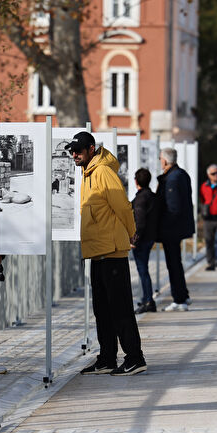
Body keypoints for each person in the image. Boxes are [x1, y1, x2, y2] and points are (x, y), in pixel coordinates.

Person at [66, 131, 147, 376]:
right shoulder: (87, 173)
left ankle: (135, 357)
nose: (74, 155)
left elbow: (122, 205)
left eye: (78, 151)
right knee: (102, 309)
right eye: (72, 151)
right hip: (97, 251)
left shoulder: (102, 172)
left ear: (92, 149)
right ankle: (107, 358)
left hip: (112, 251)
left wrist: (132, 232)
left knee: (120, 308)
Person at [156, 147, 195, 311]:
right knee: (175, 262)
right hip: (177, 228)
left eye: (160, 159)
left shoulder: (172, 178)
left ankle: (179, 299)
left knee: (173, 263)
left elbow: (173, 207)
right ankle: (183, 295)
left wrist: (163, 226)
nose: (160, 162)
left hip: (171, 229)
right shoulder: (182, 174)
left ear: (165, 160)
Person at [131, 168, 159, 314]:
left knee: (143, 271)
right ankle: (148, 298)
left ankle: (148, 301)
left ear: (136, 181)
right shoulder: (151, 196)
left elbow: (140, 223)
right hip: (149, 238)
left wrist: (134, 240)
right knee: (144, 270)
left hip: (142, 240)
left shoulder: (141, 199)